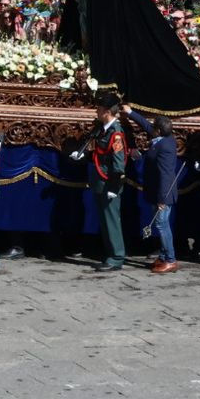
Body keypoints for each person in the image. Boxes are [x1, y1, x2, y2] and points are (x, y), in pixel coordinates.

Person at [70, 93, 127, 272]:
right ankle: (110, 254)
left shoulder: (116, 133)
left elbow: (118, 163)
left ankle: (117, 256)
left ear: (107, 112)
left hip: (109, 182)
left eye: (99, 109)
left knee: (111, 221)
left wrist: (114, 186)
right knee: (105, 221)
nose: (96, 111)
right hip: (100, 181)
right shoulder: (103, 129)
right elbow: (99, 154)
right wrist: (83, 155)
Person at [125, 104, 180, 274]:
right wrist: (131, 113)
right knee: (161, 224)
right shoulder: (165, 138)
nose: (151, 129)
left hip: (162, 193)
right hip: (156, 190)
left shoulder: (164, 147)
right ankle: (164, 256)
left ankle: (170, 259)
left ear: (158, 131)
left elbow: (165, 175)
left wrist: (162, 199)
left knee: (162, 225)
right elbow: (147, 126)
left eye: (154, 127)